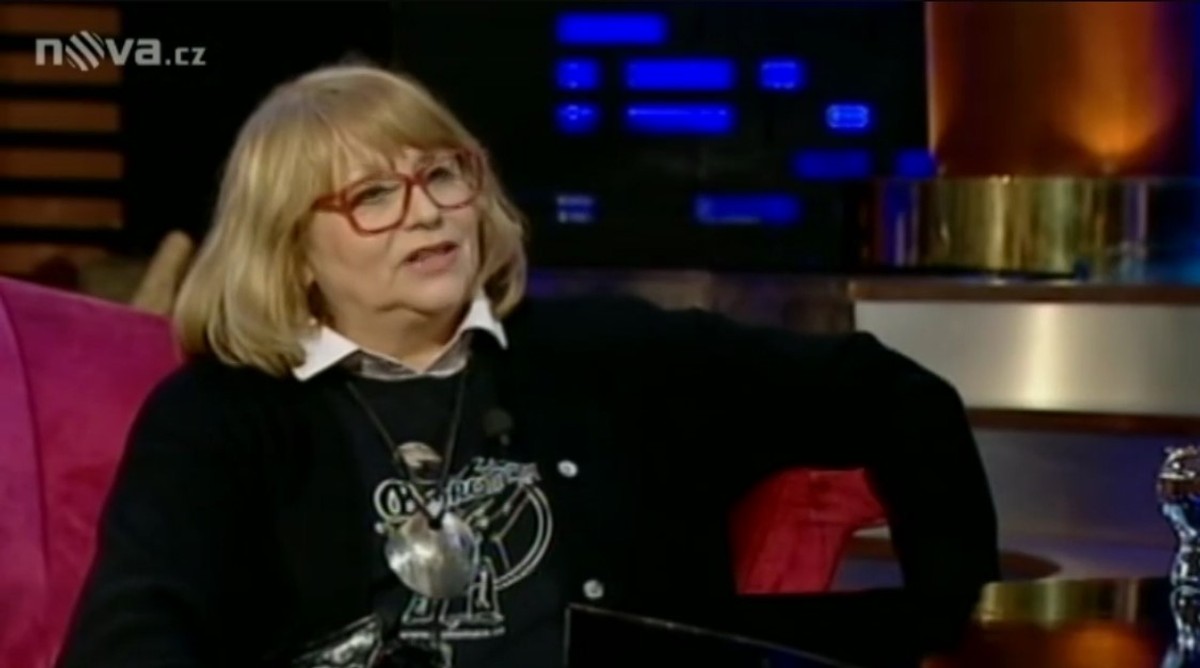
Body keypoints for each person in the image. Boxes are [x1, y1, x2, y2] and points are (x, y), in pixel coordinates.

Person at [56, 62, 999, 668]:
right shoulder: (220, 416)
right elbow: (130, 638)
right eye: (374, 195)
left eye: (441, 174)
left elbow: (889, 393)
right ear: (292, 248)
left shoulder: (613, 356)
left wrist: (945, 614)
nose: (427, 211)